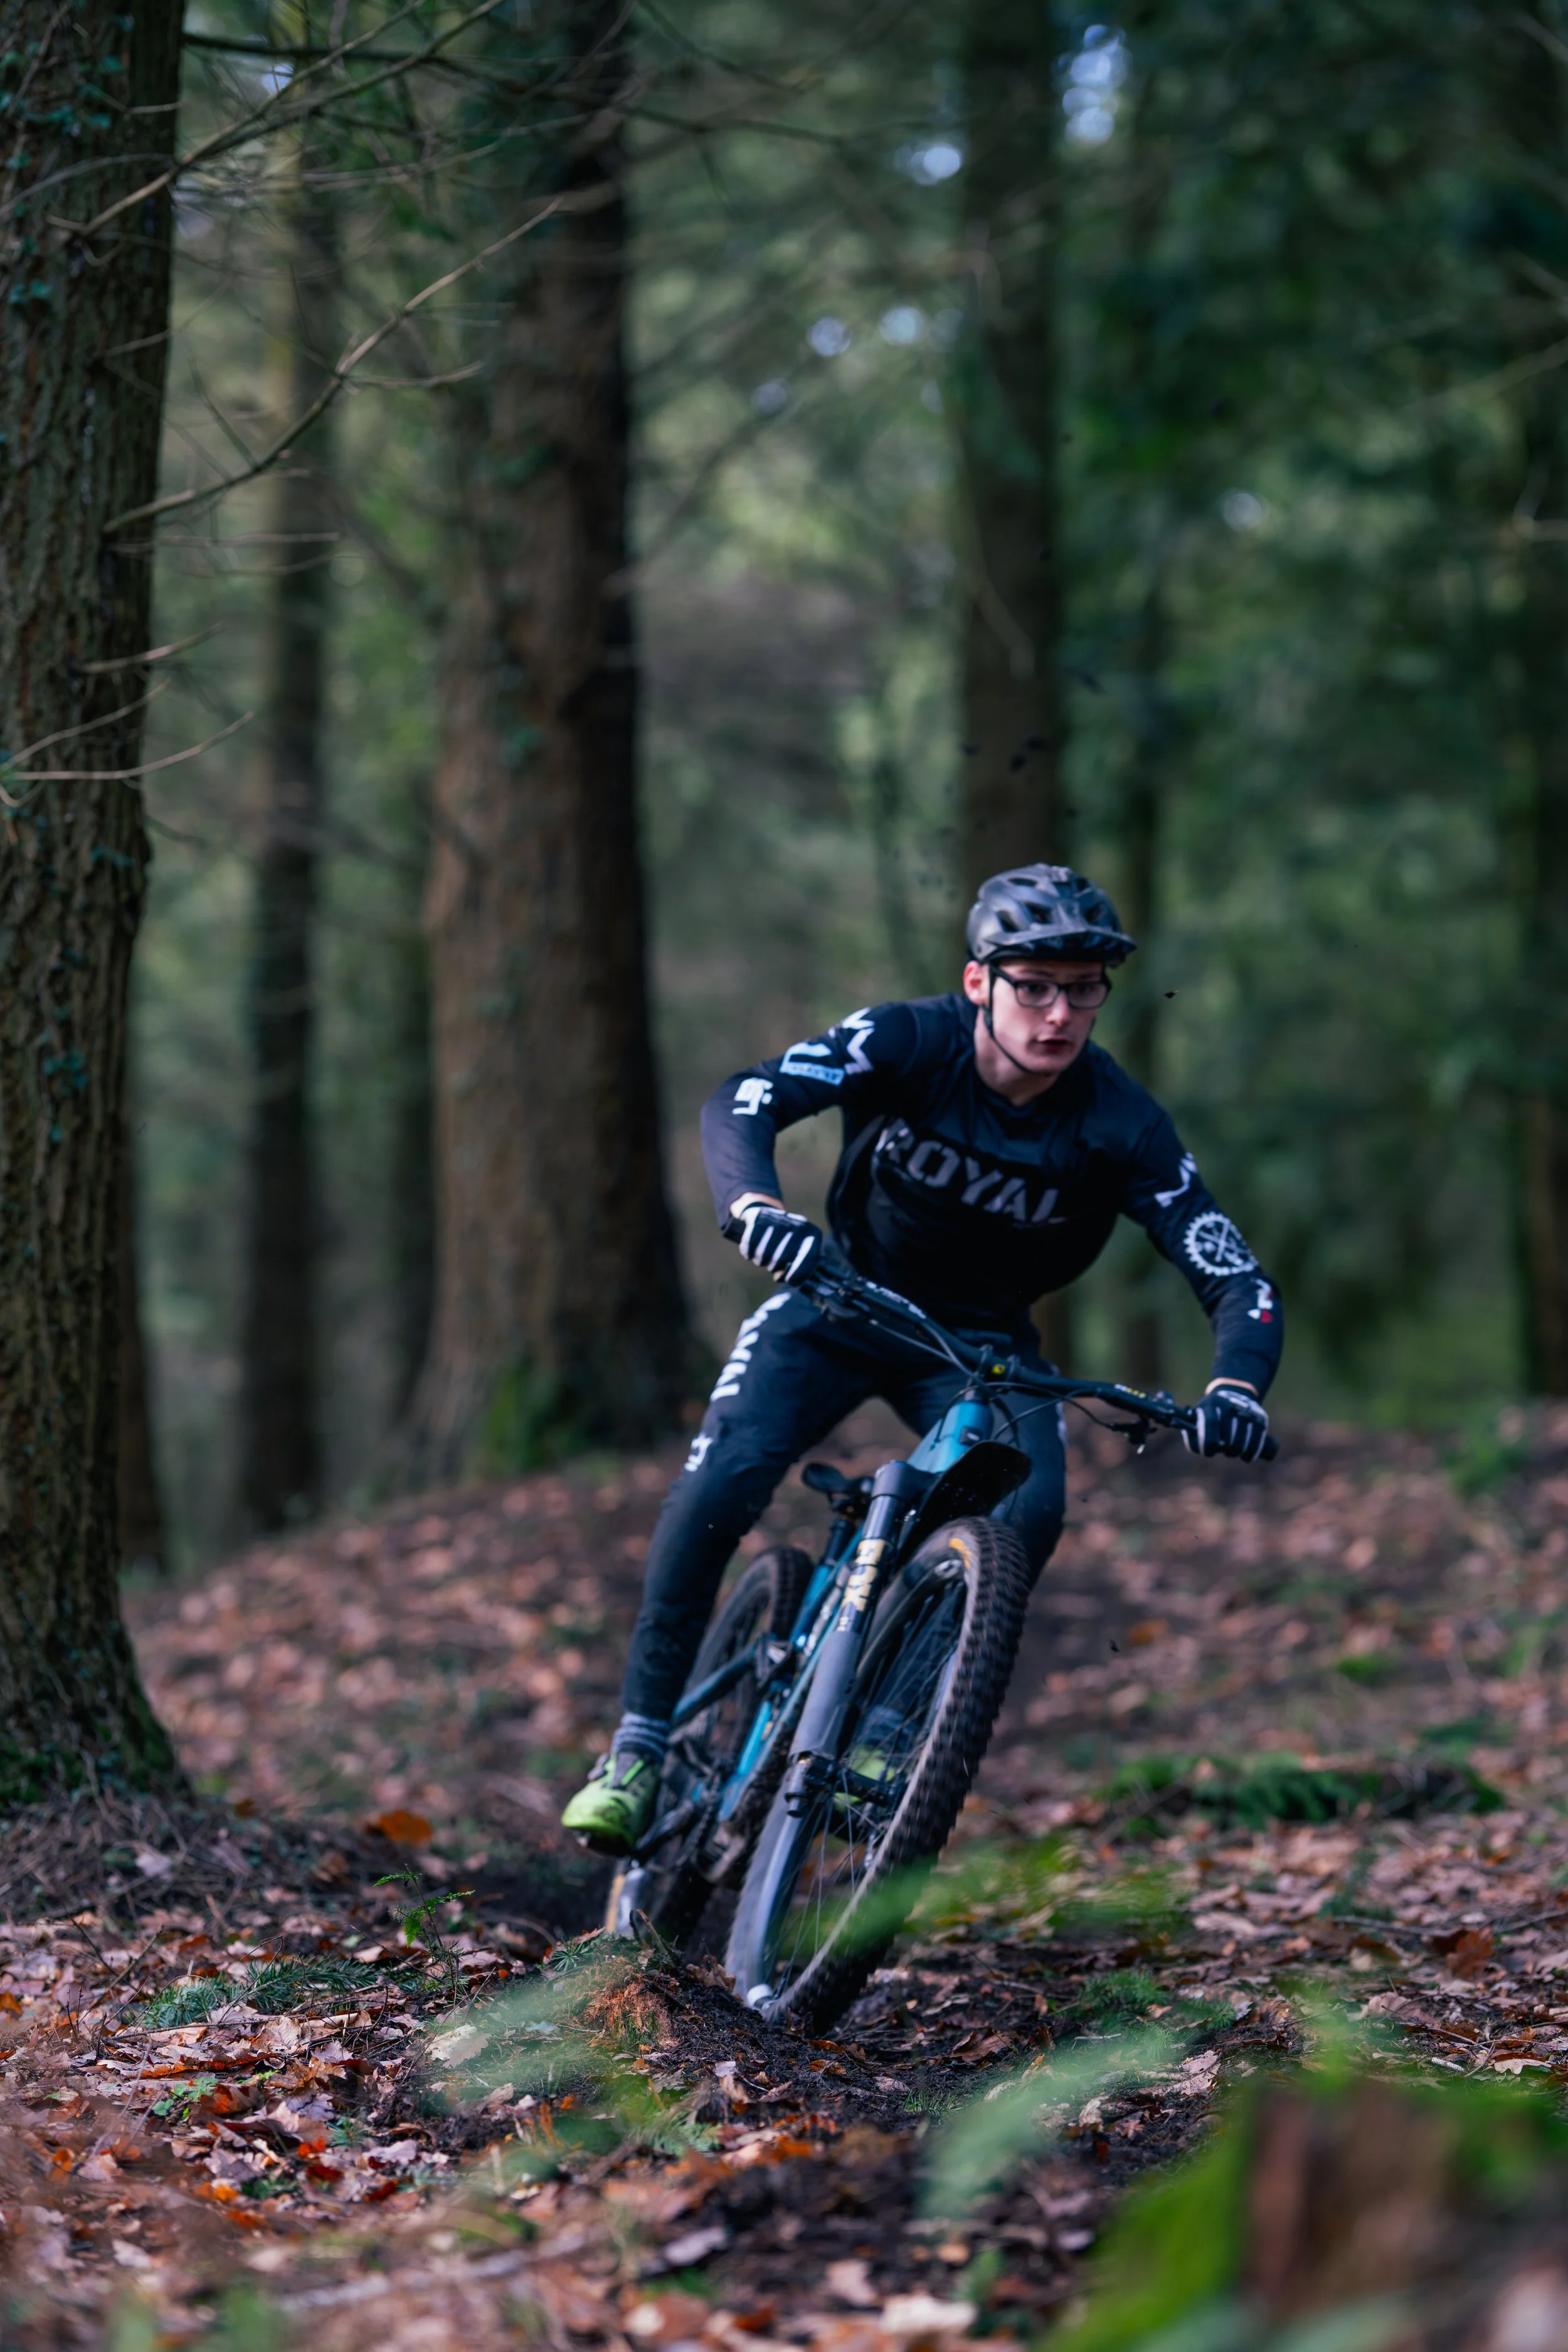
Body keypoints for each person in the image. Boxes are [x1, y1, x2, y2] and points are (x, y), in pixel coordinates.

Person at [562, 864, 1282, 1855]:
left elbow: (1232, 1269)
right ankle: (639, 1745)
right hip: (839, 1302)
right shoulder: (910, 1040)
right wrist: (757, 1206)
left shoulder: (1122, 1125)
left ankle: (886, 1730)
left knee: (1028, 1509)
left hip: (983, 1348)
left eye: (1083, 989)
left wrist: (1237, 1382)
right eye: (1034, 984)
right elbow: (746, 1097)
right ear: (980, 980)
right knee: (726, 1474)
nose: (1060, 1012)